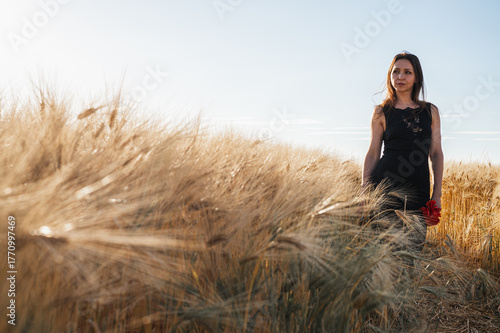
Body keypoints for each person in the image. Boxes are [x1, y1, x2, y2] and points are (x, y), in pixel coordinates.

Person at [361, 51, 444, 252]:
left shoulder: (430, 111)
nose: (400, 77)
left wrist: (437, 193)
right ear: (390, 75)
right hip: (384, 187)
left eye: (407, 72)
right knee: (383, 253)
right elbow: (373, 153)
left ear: (416, 78)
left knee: (413, 253)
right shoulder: (381, 111)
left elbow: (436, 153)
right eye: (396, 71)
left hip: (419, 189)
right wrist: (364, 191)